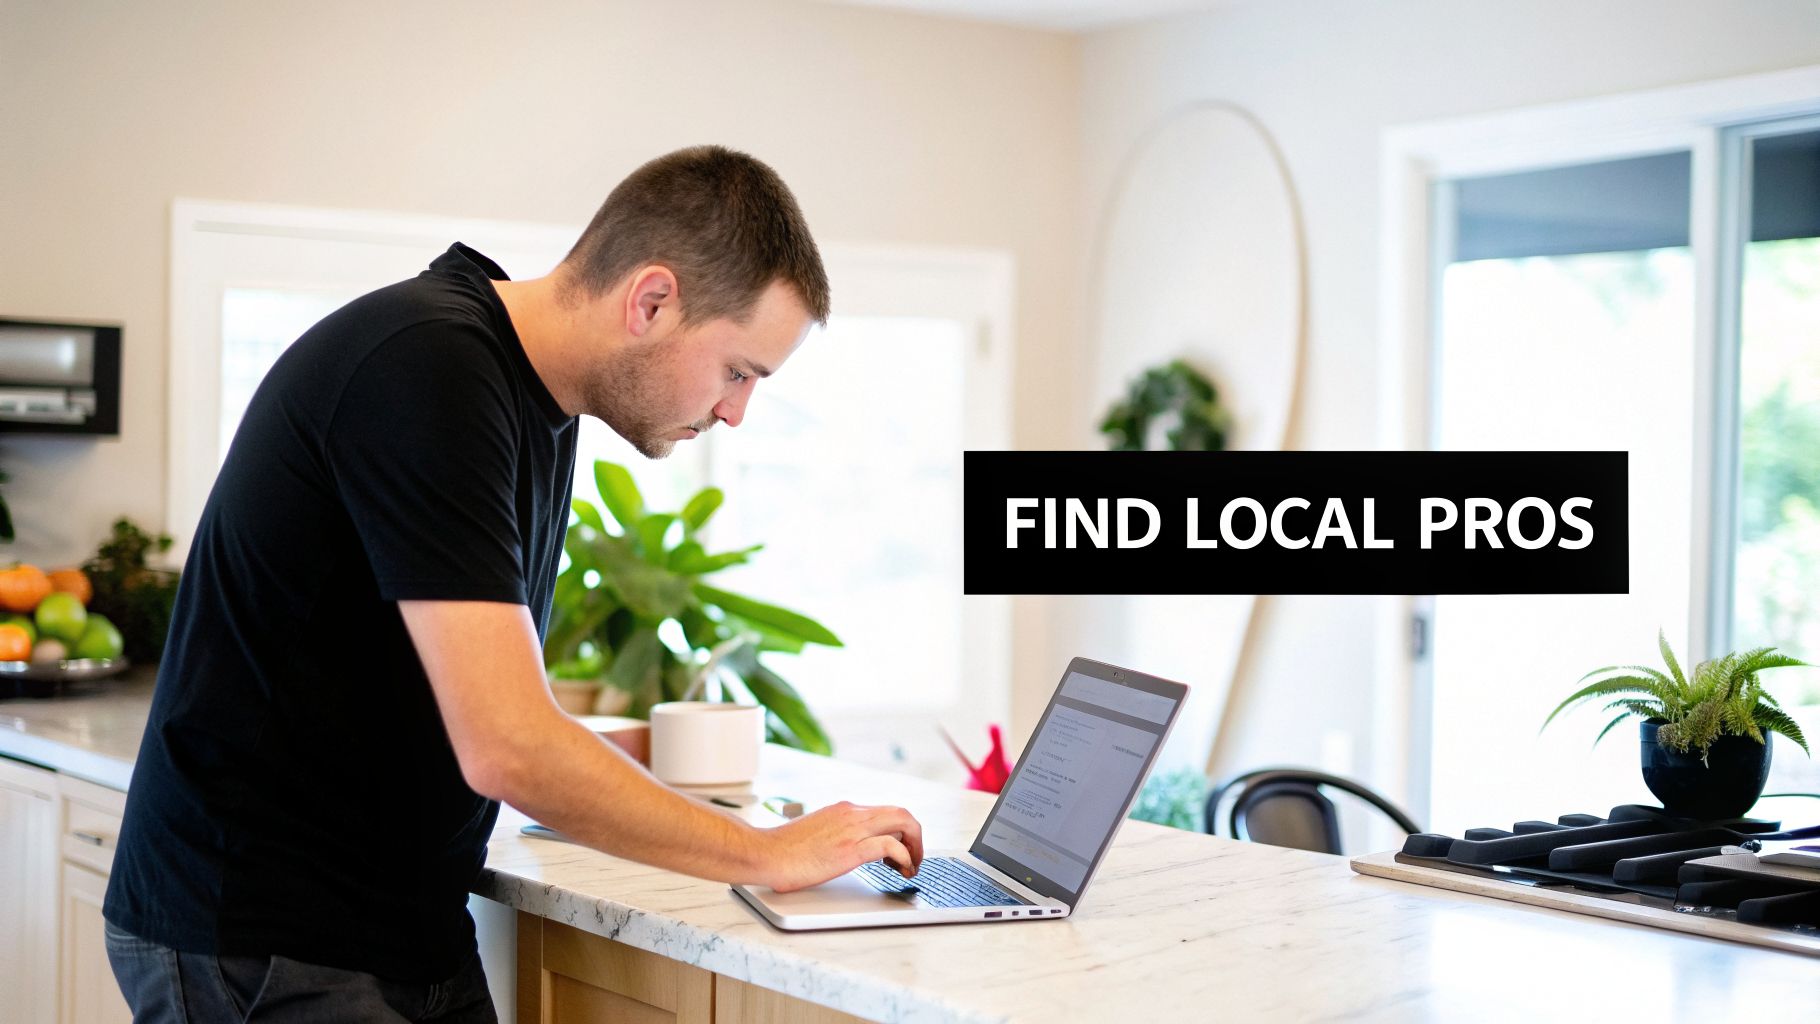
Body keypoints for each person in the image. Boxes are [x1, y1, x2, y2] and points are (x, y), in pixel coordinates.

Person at [103, 145, 925, 1023]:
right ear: (650, 300)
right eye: (738, 370)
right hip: (267, 940)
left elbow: (463, 697)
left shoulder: (534, 401)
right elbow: (507, 744)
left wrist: (650, 777)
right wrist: (767, 852)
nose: (735, 412)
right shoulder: (429, 368)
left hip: (394, 929)